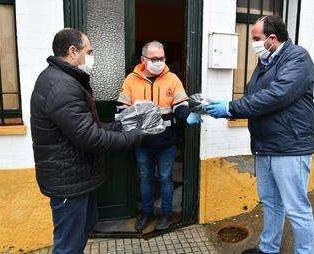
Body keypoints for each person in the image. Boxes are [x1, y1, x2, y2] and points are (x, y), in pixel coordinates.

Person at [206, 16, 314, 254]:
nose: (254, 43)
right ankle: (268, 249)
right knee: (272, 204)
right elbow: (252, 98)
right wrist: (220, 109)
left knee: (297, 208)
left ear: (272, 38)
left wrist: (230, 108)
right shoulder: (265, 62)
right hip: (264, 145)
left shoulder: (298, 58)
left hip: (290, 147)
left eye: (256, 38)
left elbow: (277, 95)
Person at [30, 28, 143, 254]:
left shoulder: (65, 79)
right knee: (68, 246)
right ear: (73, 51)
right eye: (89, 51)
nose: (91, 57)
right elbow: (90, 137)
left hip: (78, 176)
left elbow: (87, 126)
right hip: (68, 182)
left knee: (84, 230)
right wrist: (136, 136)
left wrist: (118, 126)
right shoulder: (60, 85)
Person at [117, 41, 202, 231]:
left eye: (161, 58)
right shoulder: (131, 80)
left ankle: (166, 214)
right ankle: (146, 213)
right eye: (154, 59)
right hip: (142, 142)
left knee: (165, 178)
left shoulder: (172, 79)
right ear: (143, 60)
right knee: (145, 178)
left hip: (166, 142)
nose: (158, 62)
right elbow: (122, 108)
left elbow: (180, 105)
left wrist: (188, 116)